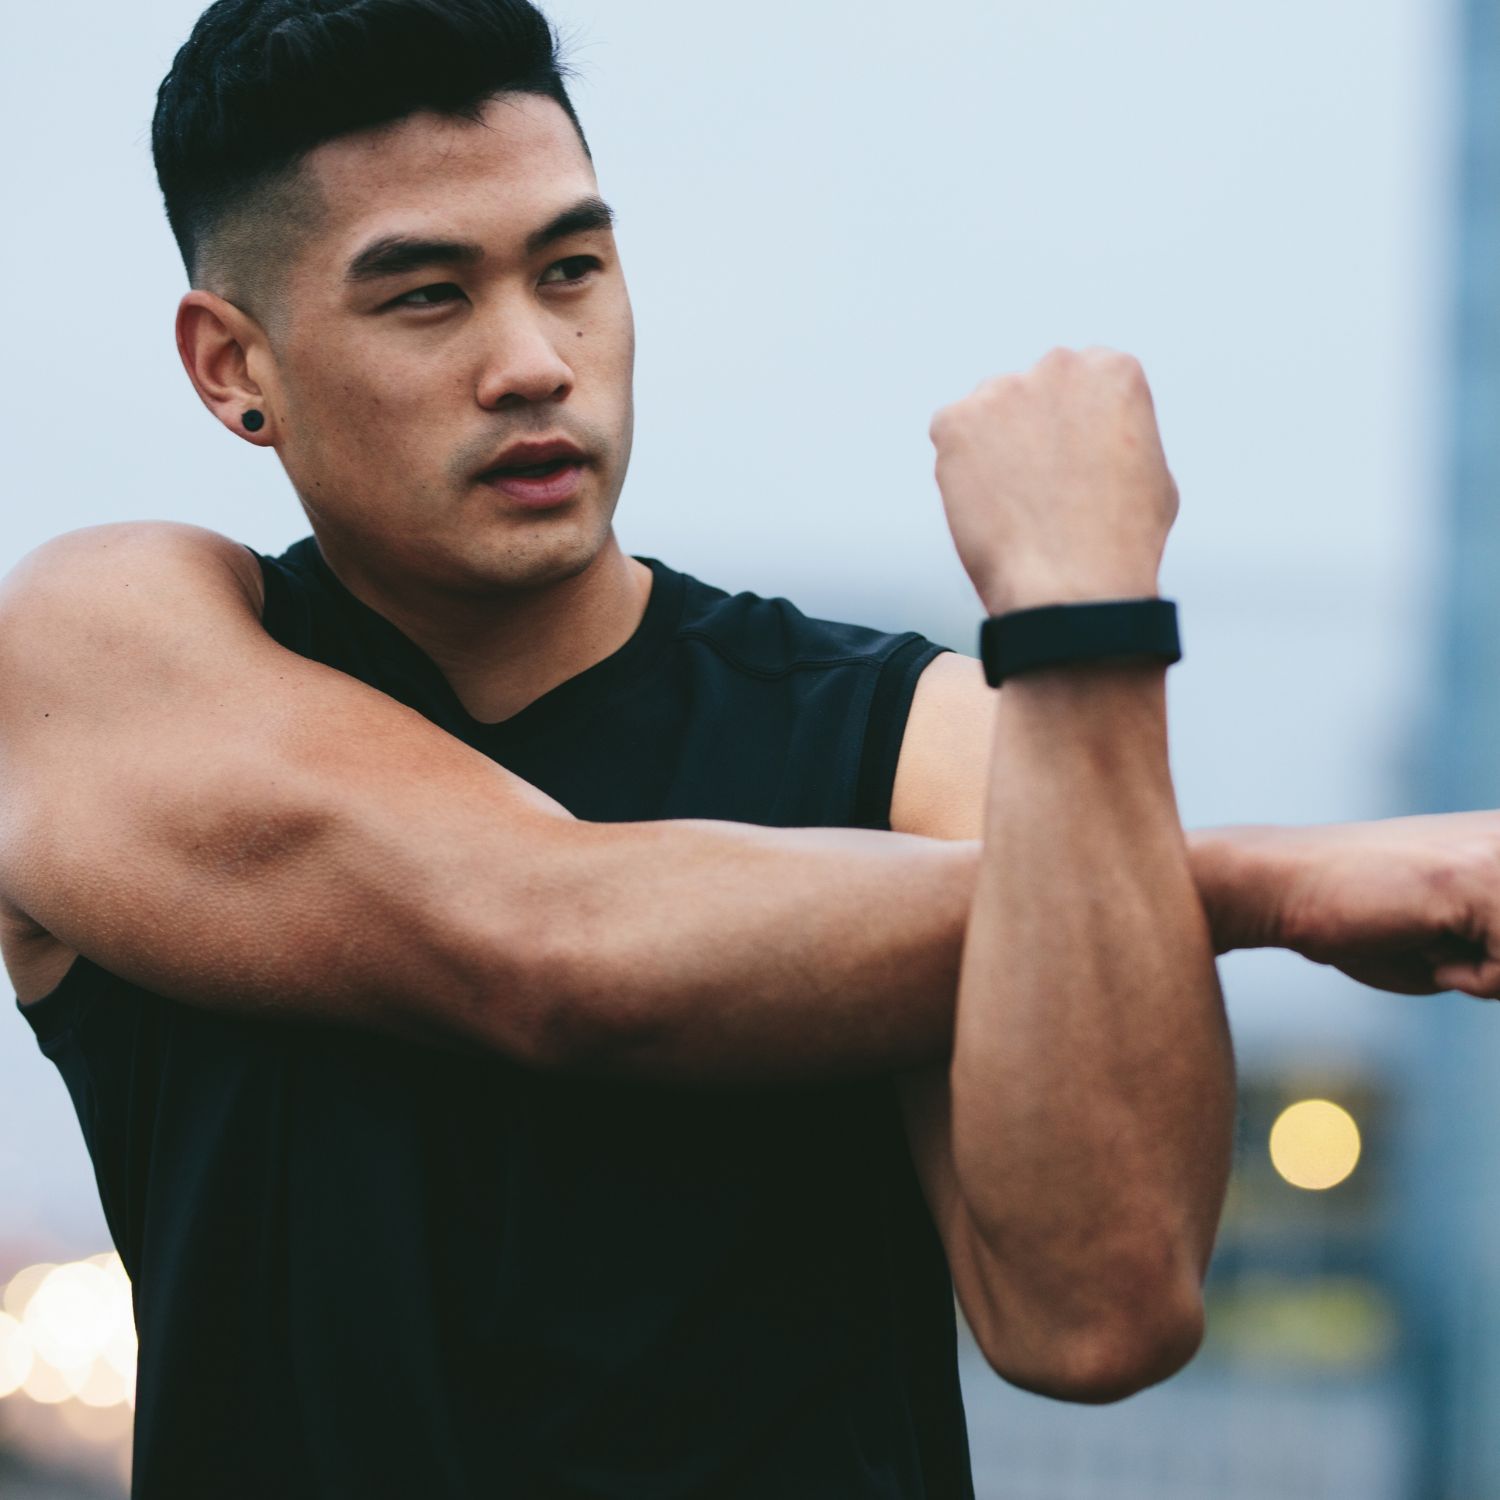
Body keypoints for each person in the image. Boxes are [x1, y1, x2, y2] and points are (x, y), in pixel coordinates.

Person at [1, 1, 1496, 1495]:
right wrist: (1253, 885)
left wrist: (1086, 609)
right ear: (229, 365)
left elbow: (1095, 1313)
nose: (533, 361)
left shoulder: (924, 741)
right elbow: (542, 937)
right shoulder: (107, 660)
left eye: (570, 270)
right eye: (426, 299)